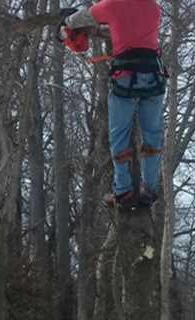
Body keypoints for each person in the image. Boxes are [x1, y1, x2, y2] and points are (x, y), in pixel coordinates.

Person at [63, 0, 166, 208]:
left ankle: (123, 191)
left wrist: (66, 18)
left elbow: (77, 19)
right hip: (153, 75)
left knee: (119, 136)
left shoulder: (112, 5)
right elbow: (129, 28)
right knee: (152, 135)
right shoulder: (153, 8)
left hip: (125, 76)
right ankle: (150, 189)